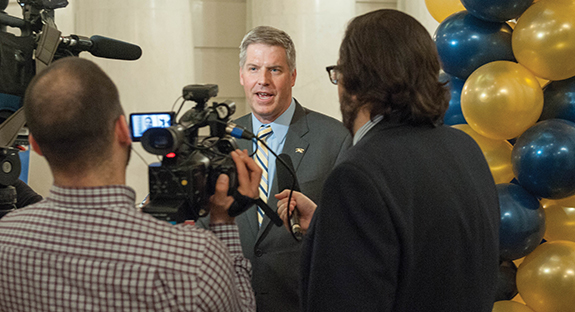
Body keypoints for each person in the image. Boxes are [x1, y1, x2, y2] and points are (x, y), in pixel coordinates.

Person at [277, 9, 500, 311]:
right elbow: (426, 257)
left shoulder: (357, 175)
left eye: (340, 73)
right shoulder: (465, 148)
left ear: (354, 82)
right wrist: (326, 225)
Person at [0, 57, 260, 311]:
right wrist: (223, 223)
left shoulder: (6, 237)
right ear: (123, 130)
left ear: (34, 145)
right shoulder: (193, 258)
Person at [199, 26, 351, 311]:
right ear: (242, 76)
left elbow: (347, 233)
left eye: (275, 70)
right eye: (254, 69)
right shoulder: (219, 141)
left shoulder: (335, 138)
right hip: (230, 300)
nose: (263, 81)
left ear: (293, 76)